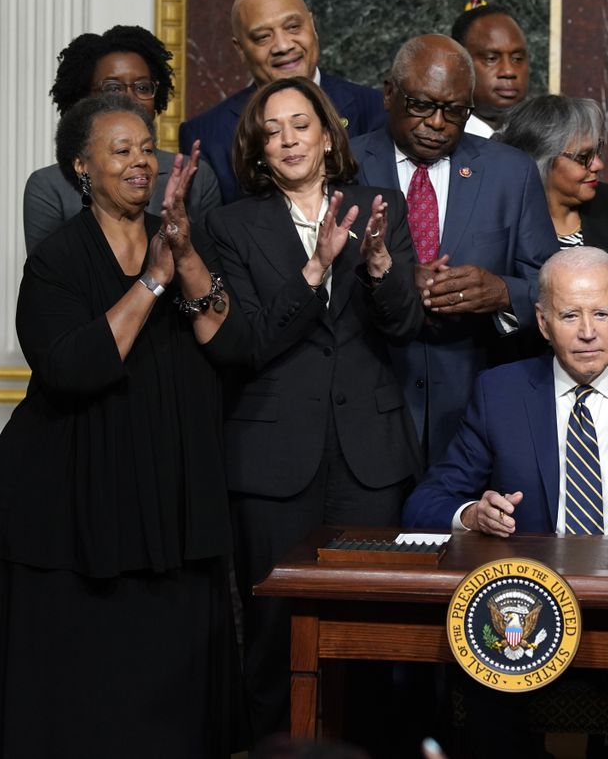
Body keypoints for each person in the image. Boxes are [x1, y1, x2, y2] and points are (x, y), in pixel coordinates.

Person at [0, 96, 246, 758]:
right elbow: (71, 367)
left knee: (169, 698)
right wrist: (151, 281)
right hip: (70, 504)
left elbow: (231, 342)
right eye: (120, 149)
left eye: (147, 148)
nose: (139, 160)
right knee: (80, 698)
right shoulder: (58, 260)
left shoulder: (179, 238)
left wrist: (181, 259)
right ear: (80, 166)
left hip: (170, 499)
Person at [404, 247, 608, 759]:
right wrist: (471, 514)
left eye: (601, 313)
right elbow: (425, 502)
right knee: (484, 706)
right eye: (569, 315)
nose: (588, 332)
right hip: (527, 611)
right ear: (542, 322)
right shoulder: (501, 392)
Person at [205, 76, 424, 740]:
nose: (289, 139)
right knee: (276, 633)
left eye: (301, 124)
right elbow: (242, 344)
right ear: (257, 149)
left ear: (329, 136)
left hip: (369, 458)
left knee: (370, 631)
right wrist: (314, 271)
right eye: (272, 130)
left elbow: (407, 324)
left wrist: (381, 266)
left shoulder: (378, 204)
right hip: (273, 462)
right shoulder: (231, 225)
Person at [351, 34, 557, 466]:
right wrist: (397, 283)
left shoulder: (510, 173)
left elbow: (553, 284)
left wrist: (501, 291)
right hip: (368, 403)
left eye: (455, 110)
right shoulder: (346, 167)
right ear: (389, 94)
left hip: (477, 406)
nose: (438, 123)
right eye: (422, 105)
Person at [179, 0, 388, 203]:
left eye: (293, 27)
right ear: (240, 49)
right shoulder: (207, 135)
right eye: (263, 37)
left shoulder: (375, 108)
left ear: (313, 25)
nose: (283, 46)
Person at [24, 25, 221, 253]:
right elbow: (47, 280)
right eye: (113, 88)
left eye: (142, 87)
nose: (130, 98)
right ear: (83, 96)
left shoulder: (196, 176)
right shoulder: (49, 186)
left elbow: (214, 275)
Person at [497, 95, 608, 359]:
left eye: (597, 151)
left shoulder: (605, 202)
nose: (598, 165)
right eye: (583, 157)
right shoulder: (507, 228)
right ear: (541, 162)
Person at [450, 4, 529, 137]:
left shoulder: (547, 143)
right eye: (491, 59)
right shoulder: (437, 143)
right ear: (459, 65)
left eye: (517, 58)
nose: (509, 71)